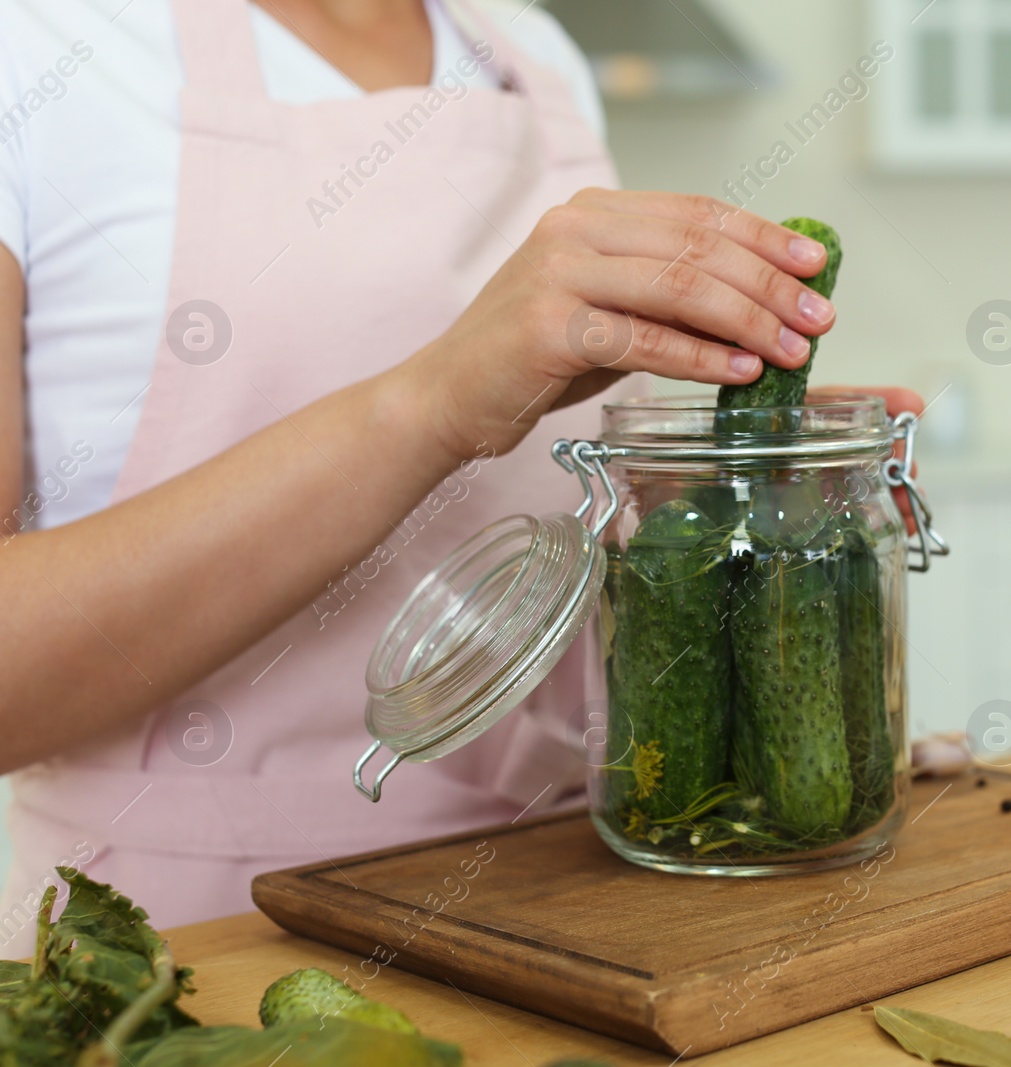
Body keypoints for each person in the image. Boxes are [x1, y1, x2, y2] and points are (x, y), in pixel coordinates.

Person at [0, 0, 918, 932]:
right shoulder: (35, 49)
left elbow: (572, 506)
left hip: (583, 899)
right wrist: (434, 405)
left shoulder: (532, 54)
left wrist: (752, 477)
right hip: (196, 937)